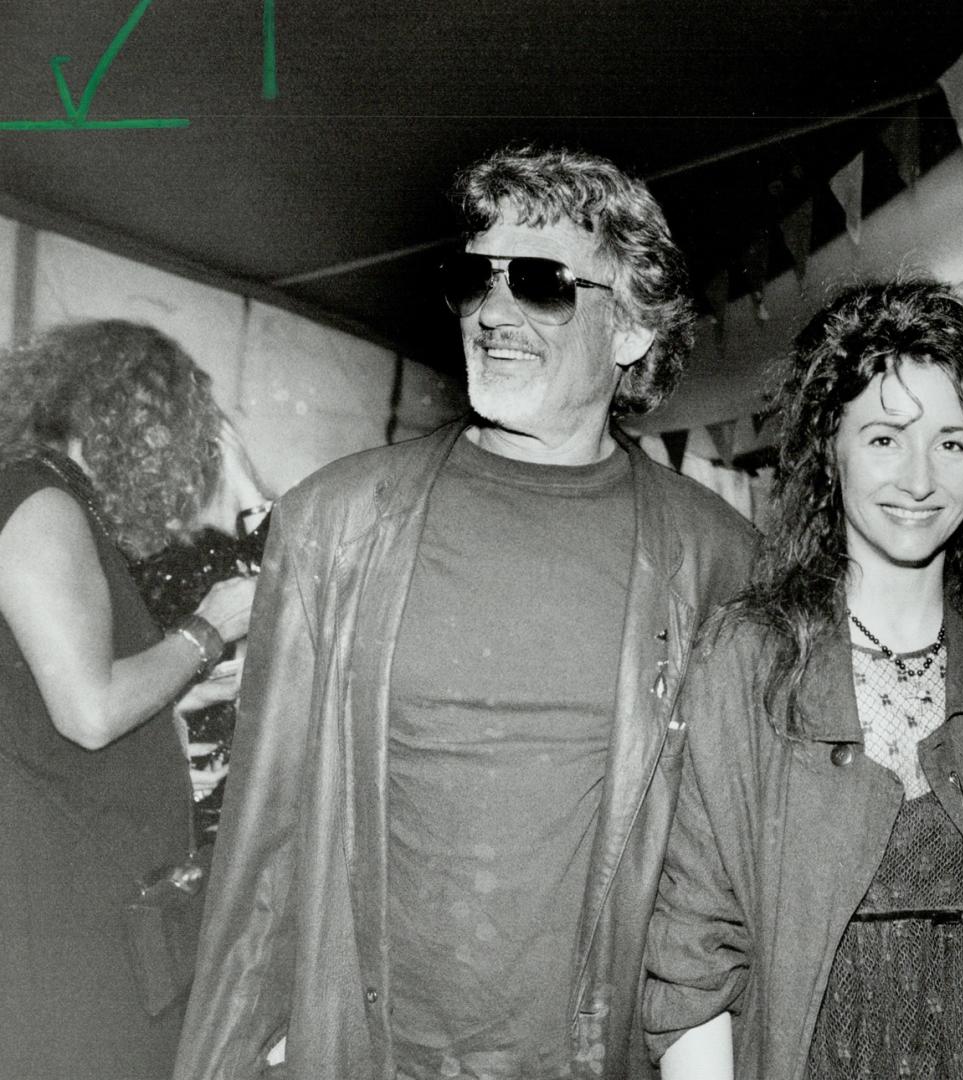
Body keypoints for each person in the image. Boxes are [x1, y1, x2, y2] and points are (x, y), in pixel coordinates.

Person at [175, 144, 756, 1080]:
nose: (492, 311)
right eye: (474, 279)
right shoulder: (337, 525)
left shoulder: (717, 562)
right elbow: (266, 849)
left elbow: (718, 887)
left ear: (633, 331)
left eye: (540, 284)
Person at [642, 280, 963, 1080]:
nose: (920, 479)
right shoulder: (750, 658)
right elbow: (692, 950)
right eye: (883, 439)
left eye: (951, 442)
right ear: (827, 453)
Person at [0, 320, 256, 1080]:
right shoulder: (41, 503)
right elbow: (87, 715)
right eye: (160, 423)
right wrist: (210, 628)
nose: (166, 453)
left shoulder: (37, 497)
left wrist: (184, 685)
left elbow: (39, 706)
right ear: (109, 412)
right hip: (64, 908)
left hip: (65, 892)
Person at [133, 416, 276, 840]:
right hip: (140, 806)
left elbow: (296, 596)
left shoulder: (211, 552)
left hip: (227, 816)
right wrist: (177, 703)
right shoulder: (96, 558)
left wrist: (248, 489)